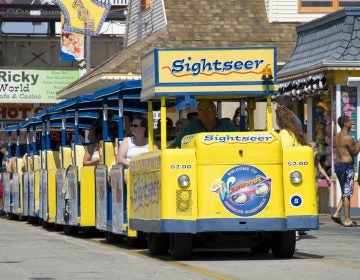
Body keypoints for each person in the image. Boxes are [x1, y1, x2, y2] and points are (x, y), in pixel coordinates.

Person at [276, 105, 307, 240]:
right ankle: (295, 230)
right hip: (296, 173)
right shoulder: (296, 133)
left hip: (284, 173)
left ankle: (291, 231)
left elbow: (280, 153)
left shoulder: (283, 134)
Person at [331, 115, 360, 227]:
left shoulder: (336, 137)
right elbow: (355, 152)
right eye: (349, 122)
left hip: (338, 165)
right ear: (345, 124)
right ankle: (347, 219)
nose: (351, 124)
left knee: (345, 190)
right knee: (347, 193)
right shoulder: (348, 138)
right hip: (346, 166)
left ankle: (337, 213)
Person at [172, 100, 237, 148]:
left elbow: (241, 141)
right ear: (198, 114)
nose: (205, 113)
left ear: (215, 111)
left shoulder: (226, 125)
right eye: (201, 110)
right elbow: (176, 144)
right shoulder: (191, 126)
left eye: (208, 109)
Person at [117, 115, 157, 183]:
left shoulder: (151, 142)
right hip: (130, 171)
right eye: (131, 125)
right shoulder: (127, 141)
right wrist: (134, 165)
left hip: (147, 171)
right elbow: (120, 158)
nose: (132, 127)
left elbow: (156, 157)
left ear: (143, 128)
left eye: (135, 126)